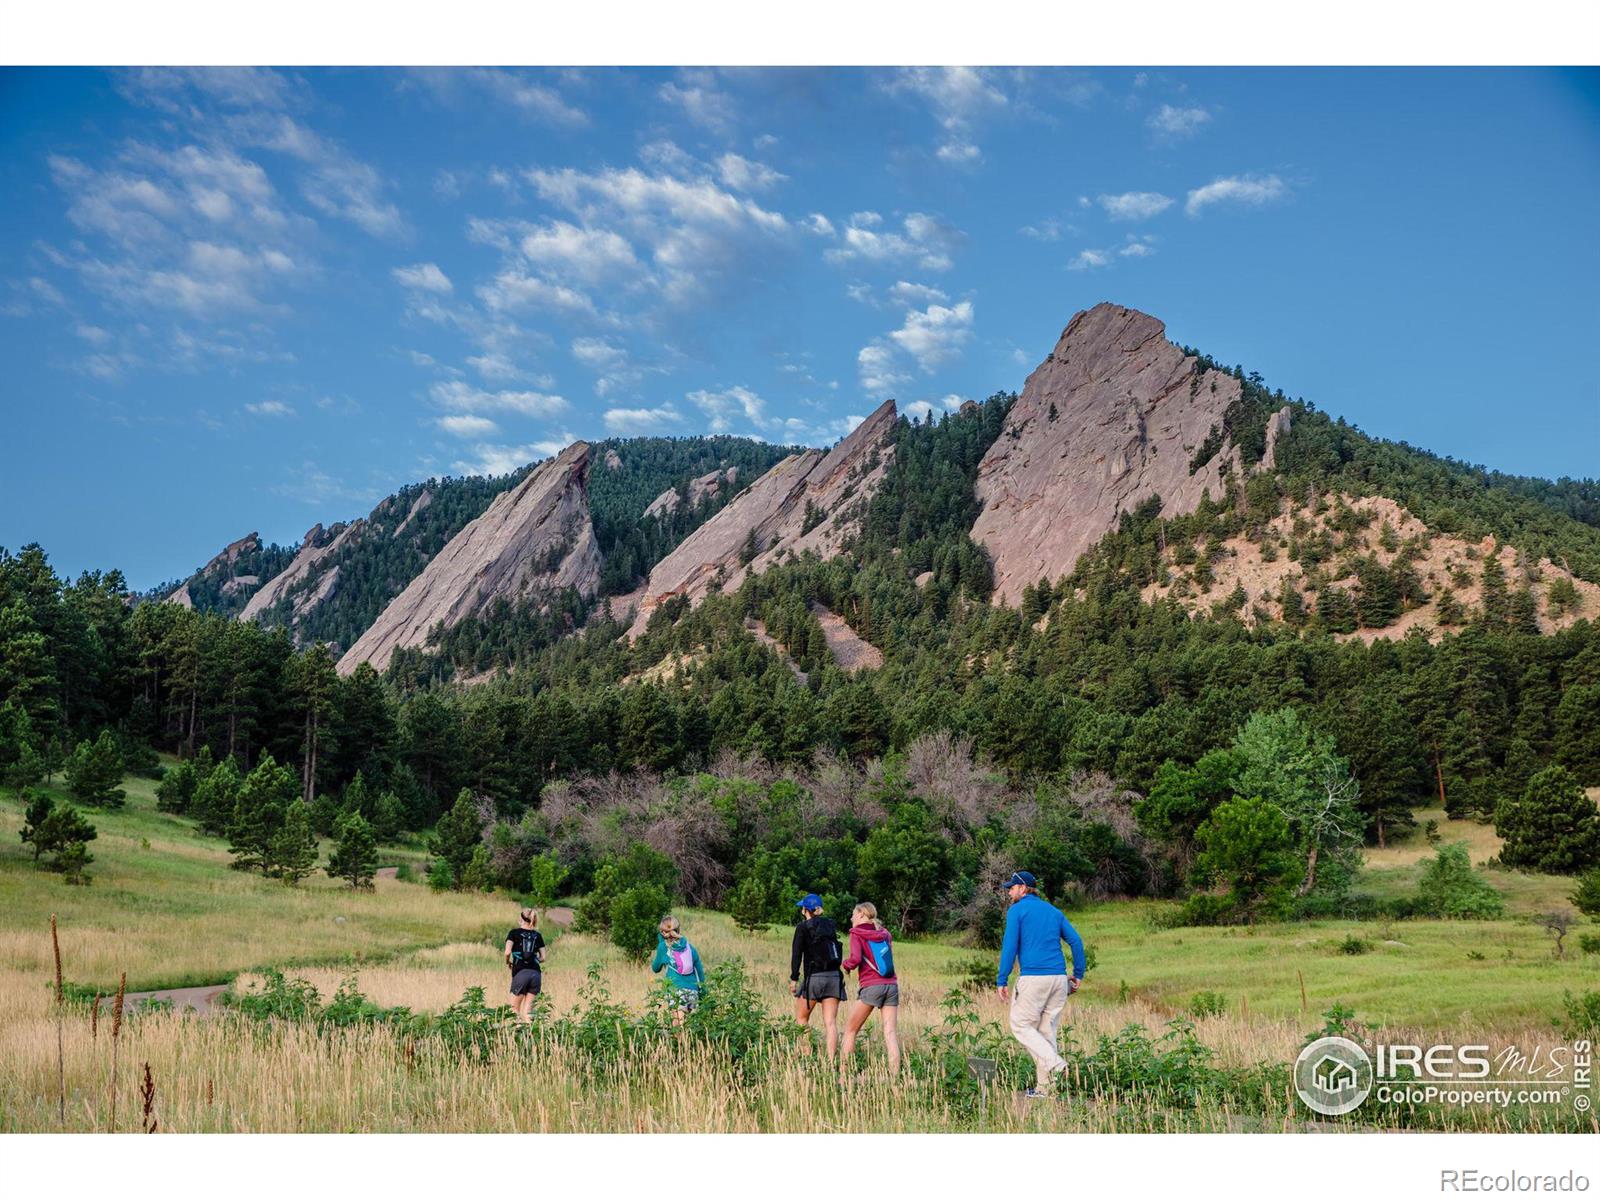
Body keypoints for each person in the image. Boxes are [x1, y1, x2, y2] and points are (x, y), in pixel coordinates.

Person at [995, 871, 1087, 1099]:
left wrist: (1002, 978)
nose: (1009, 891)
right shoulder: (1054, 912)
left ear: (1023, 888)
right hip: (1058, 979)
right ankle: (1045, 1089)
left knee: (1020, 1025)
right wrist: (1078, 974)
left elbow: (1010, 946)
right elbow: (1075, 941)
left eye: (1012, 887)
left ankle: (1057, 1064)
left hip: (1034, 978)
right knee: (1046, 1032)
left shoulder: (1017, 910)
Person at [839, 901, 900, 1074]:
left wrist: (846, 965)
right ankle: (894, 1076)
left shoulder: (856, 933)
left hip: (872, 986)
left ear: (860, 914)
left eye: (853, 914)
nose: (851, 918)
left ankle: (844, 1076)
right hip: (891, 985)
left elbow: (856, 958)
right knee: (890, 1033)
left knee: (850, 1030)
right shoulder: (885, 934)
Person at [790, 893, 844, 1061]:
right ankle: (830, 1060)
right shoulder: (830, 925)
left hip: (814, 977)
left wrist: (794, 978)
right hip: (834, 977)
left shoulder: (803, 927)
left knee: (801, 1018)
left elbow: (797, 954)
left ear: (805, 909)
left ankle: (806, 1056)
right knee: (830, 1022)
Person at [649, 914, 705, 1025]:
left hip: (676, 991)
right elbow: (700, 973)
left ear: (662, 932)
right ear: (678, 930)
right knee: (686, 1024)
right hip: (692, 991)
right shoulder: (690, 947)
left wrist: (660, 941)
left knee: (678, 1025)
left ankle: (681, 1042)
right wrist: (703, 992)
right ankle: (688, 1042)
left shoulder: (663, 947)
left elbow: (655, 968)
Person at [504, 908, 546, 1024]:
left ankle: (518, 1036)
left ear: (521, 919)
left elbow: (507, 952)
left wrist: (508, 962)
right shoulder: (538, 935)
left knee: (514, 1008)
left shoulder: (514, 933)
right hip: (536, 974)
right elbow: (543, 958)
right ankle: (531, 1035)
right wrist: (532, 959)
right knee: (529, 1011)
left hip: (521, 973)